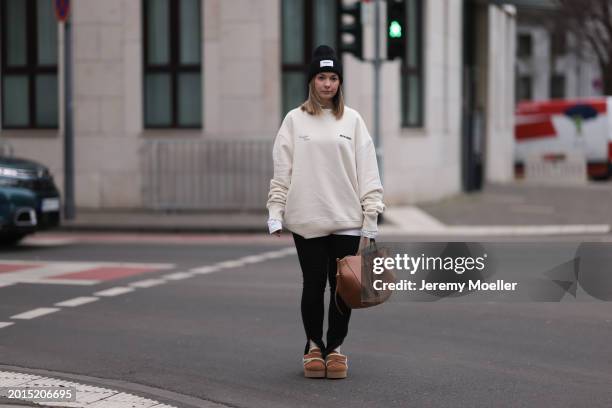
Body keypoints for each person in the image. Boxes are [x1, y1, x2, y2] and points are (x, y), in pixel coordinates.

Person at [266, 45, 385, 379]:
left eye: (333, 78)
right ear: (312, 81)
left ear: (339, 82)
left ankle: (334, 347)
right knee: (313, 283)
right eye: (322, 77)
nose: (328, 84)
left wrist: (371, 216)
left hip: (347, 219)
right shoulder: (294, 120)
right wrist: (275, 211)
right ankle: (313, 345)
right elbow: (282, 172)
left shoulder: (353, 120)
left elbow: (368, 171)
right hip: (307, 219)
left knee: (342, 288)